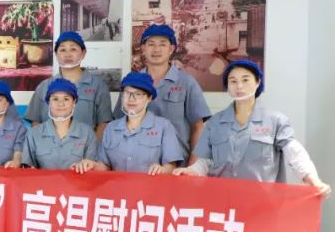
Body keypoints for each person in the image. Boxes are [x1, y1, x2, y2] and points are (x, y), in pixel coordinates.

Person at [173, 61, 331, 195]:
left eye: (245, 80)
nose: (239, 86)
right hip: (222, 203)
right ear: (227, 86)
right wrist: (191, 171)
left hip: (262, 204)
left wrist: (314, 181)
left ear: (257, 82)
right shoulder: (214, 123)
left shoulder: (276, 121)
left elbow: (295, 155)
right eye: (233, 81)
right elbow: (206, 161)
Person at [114, 24, 209, 159]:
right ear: (143, 48)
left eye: (163, 44)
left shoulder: (186, 83)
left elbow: (198, 128)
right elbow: (119, 123)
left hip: (176, 163)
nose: (156, 49)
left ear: (171, 49)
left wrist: (192, 165)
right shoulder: (130, 83)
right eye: (151, 44)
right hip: (136, 163)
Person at [76, 72, 183, 175]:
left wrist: (162, 170)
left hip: (151, 187)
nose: (131, 99)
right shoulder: (111, 128)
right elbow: (105, 165)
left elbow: (171, 166)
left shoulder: (164, 127)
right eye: (127, 93)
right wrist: (92, 165)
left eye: (138, 94)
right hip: (118, 187)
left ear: (149, 98)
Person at [25, 32, 112, 138]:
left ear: (83, 53)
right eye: (62, 50)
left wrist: (92, 146)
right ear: (56, 54)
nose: (68, 54)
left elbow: (104, 123)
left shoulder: (98, 86)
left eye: (73, 49)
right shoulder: (44, 87)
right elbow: (36, 122)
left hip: (85, 147)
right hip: (49, 148)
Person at [21, 78, 99, 170]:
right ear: (48, 102)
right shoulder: (33, 134)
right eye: (55, 99)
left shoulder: (87, 133)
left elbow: (92, 170)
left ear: (74, 102)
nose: (61, 104)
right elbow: (27, 170)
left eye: (66, 99)